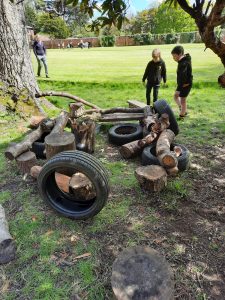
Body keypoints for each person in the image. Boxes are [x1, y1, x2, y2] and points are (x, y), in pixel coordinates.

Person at [171, 45, 193, 119]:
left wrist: (179, 88)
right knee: (176, 97)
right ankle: (183, 109)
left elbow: (183, 77)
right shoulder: (185, 59)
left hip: (185, 84)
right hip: (184, 84)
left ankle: (182, 116)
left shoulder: (183, 64)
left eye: (174, 56)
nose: (173, 58)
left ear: (180, 54)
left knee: (182, 99)